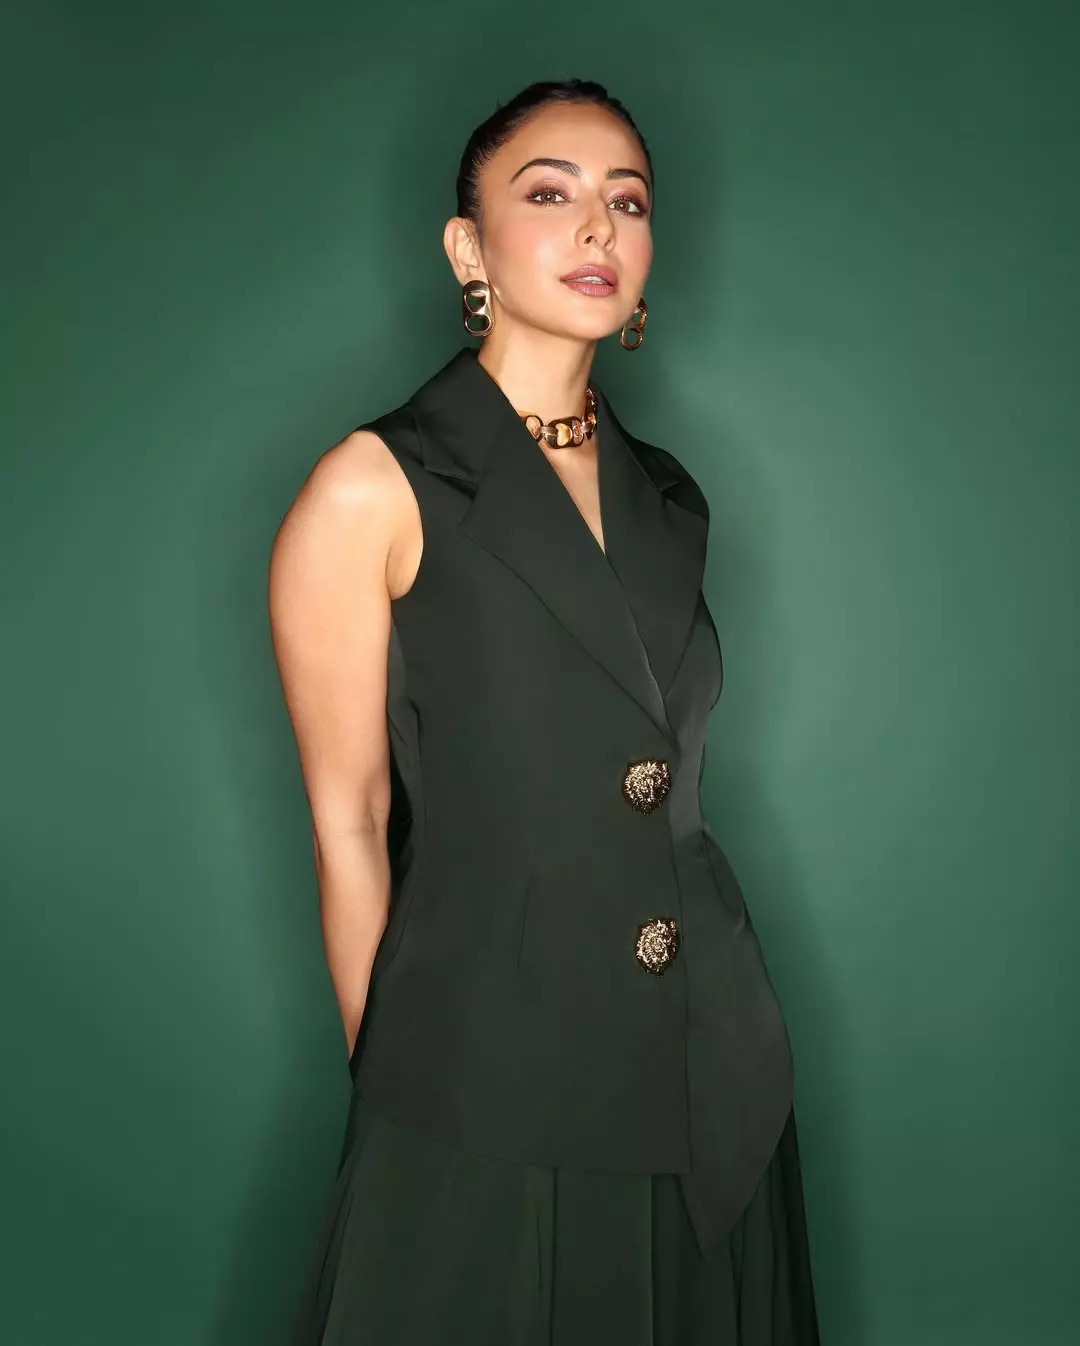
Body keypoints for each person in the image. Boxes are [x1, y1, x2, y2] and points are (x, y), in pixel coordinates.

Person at [268, 77, 819, 1346]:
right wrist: (397, 1076)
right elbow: (349, 820)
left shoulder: (668, 494)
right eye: (551, 193)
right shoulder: (374, 485)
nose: (597, 226)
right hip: (483, 1060)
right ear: (468, 249)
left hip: (710, 1059)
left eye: (628, 201)